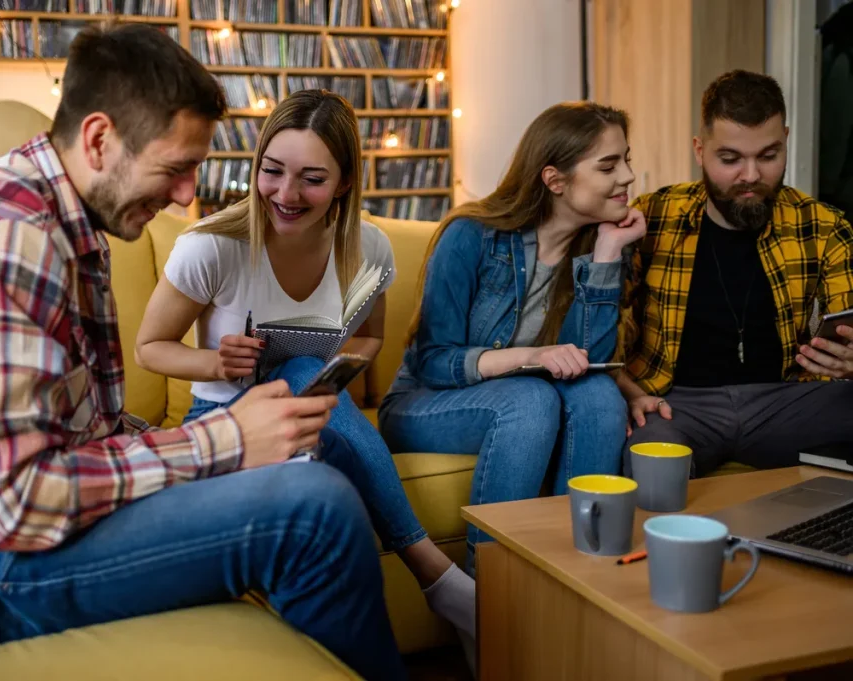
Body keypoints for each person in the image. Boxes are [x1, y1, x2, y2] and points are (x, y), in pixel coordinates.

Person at [0, 24, 408, 681]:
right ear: (100, 139)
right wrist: (222, 439)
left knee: (298, 476)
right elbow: (13, 505)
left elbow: (73, 438)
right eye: (176, 167)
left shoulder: (61, 219)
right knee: (313, 511)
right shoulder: (1, 243)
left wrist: (214, 444)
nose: (190, 195)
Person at [134, 89, 477, 666]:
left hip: (315, 412)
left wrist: (333, 374)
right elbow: (150, 348)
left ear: (344, 183)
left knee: (302, 372)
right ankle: (442, 582)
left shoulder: (367, 248)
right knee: (296, 371)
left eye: (312, 179)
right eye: (272, 171)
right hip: (223, 418)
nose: (286, 195)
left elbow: (368, 338)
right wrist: (217, 362)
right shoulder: (211, 247)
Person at [377, 101, 646, 574]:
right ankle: (489, 596)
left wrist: (606, 254)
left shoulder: (597, 245)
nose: (627, 176)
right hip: (425, 404)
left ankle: (583, 578)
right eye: (609, 165)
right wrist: (531, 356)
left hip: (525, 398)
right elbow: (433, 361)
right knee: (529, 399)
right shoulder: (471, 235)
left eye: (626, 159)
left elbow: (591, 362)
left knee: (601, 396)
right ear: (555, 180)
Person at [619, 69, 853, 476]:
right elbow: (608, 331)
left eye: (768, 155)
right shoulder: (652, 216)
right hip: (676, 404)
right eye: (730, 159)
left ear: (786, 141)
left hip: (783, 401)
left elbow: (846, 324)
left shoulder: (823, 225)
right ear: (699, 150)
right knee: (653, 465)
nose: (750, 176)